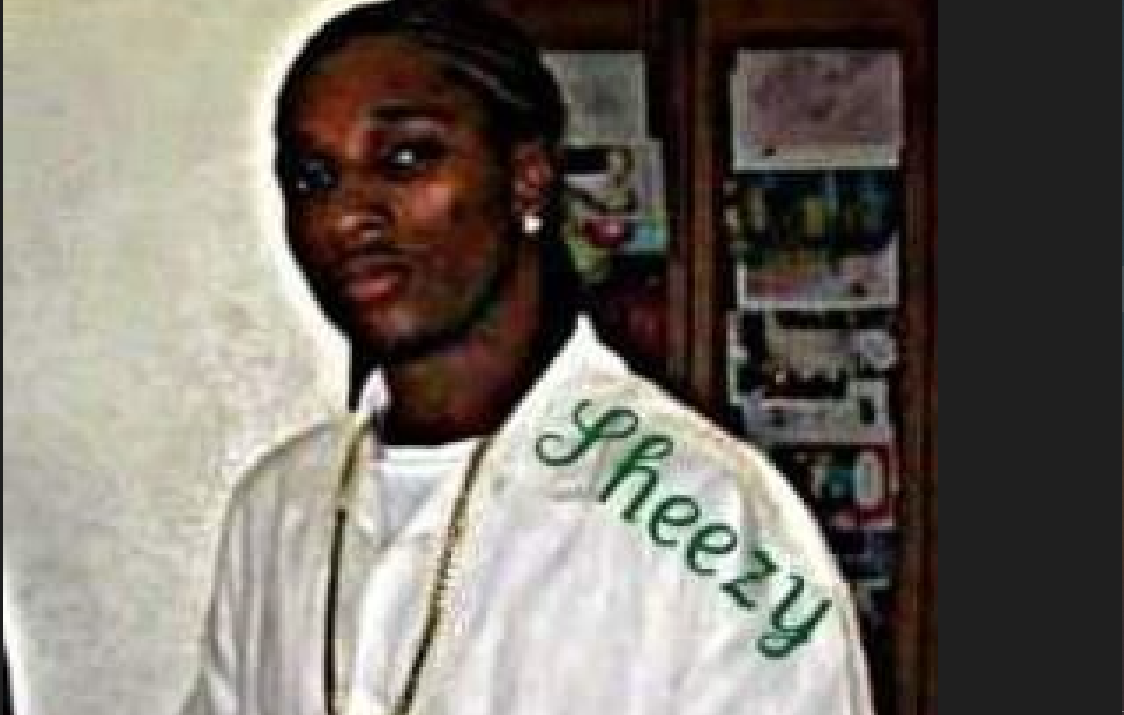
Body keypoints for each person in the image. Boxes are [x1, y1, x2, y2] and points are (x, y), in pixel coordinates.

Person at [183, 1, 875, 714]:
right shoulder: (279, 507)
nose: (346, 214)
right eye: (312, 178)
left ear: (526, 178)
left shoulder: (714, 517)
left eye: (405, 158)